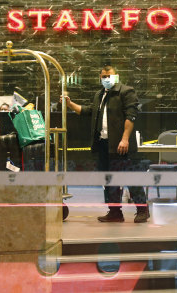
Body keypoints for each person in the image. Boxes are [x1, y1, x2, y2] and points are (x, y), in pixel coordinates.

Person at [61, 65, 149, 223]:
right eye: (103, 76)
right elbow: (89, 111)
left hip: (121, 145)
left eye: (109, 76)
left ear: (117, 76)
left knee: (130, 178)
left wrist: (125, 139)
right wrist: (70, 104)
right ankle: (115, 212)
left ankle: (142, 210)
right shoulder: (99, 95)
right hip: (104, 145)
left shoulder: (126, 91)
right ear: (99, 78)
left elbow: (131, 116)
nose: (106, 79)